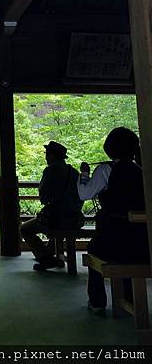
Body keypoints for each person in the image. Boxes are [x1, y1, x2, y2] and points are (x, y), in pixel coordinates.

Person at [78, 127, 149, 315]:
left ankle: (97, 302)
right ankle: (127, 299)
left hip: (113, 239)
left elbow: (84, 194)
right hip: (143, 240)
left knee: (94, 249)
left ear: (109, 148)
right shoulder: (142, 171)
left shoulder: (105, 170)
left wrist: (84, 175)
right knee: (129, 250)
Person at [21, 141, 84, 271]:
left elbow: (44, 198)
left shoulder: (50, 171)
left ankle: (45, 258)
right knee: (55, 231)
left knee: (24, 229)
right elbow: (81, 197)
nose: (46, 157)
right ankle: (51, 255)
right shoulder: (74, 172)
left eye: (47, 154)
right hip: (75, 218)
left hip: (57, 219)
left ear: (51, 155)